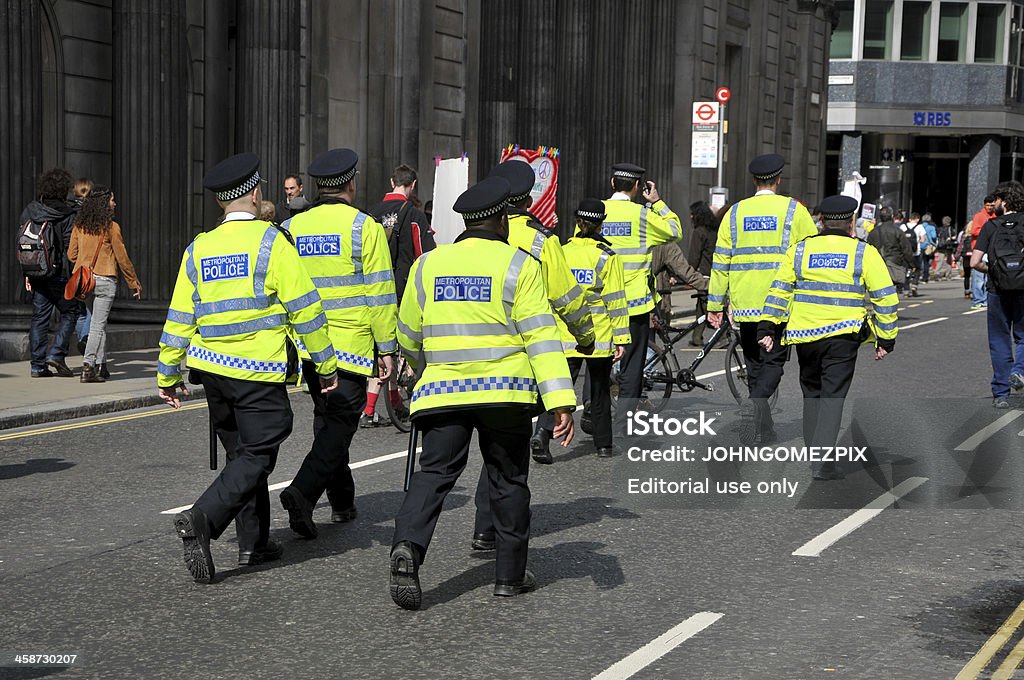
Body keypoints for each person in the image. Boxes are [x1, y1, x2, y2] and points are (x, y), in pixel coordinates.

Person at [389, 176, 576, 610]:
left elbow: (408, 333)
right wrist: (560, 401)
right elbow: (541, 339)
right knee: (508, 479)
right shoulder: (519, 265)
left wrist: (424, 372)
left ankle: (408, 549)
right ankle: (509, 576)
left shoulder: (428, 266)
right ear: (499, 221)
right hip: (504, 393)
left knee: (434, 474)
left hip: (443, 390)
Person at [159, 152, 339, 582]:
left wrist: (167, 374)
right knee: (260, 450)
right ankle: (203, 518)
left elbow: (180, 315)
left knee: (241, 453)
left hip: (212, 371)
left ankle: (254, 544)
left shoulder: (198, 247)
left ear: (223, 202)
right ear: (256, 194)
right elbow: (305, 307)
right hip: (257, 368)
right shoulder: (272, 241)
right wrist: (327, 364)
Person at [277, 148, 398, 535]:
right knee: (342, 424)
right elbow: (380, 296)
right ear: (351, 183)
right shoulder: (366, 228)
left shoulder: (293, 229)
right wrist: (388, 348)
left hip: (308, 345)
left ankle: (342, 500)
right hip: (350, 345)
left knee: (326, 419)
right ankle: (302, 492)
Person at [758, 195, 897, 479]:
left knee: (812, 394)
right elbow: (885, 298)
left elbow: (779, 289)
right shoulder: (863, 252)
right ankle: (822, 461)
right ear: (851, 222)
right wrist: (886, 337)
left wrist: (767, 326)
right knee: (833, 397)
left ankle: (816, 452)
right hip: (843, 337)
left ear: (820, 220)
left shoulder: (800, 250)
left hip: (805, 336)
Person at [707, 153, 818, 443]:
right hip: (779, 304)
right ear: (779, 179)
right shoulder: (795, 211)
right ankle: (753, 407)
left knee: (755, 366)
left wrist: (715, 304)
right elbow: (810, 256)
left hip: (745, 305)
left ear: (754, 180)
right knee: (773, 364)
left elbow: (720, 262)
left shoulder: (734, 213)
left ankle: (763, 429)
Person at [531, 198, 629, 461]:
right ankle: (603, 445)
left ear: (576, 221)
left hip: (565, 333)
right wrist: (621, 337)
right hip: (598, 336)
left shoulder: (561, 251)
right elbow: (616, 302)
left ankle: (542, 433)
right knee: (599, 392)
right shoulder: (607, 256)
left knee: (558, 389)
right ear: (601, 223)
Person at [601, 162, 682, 429]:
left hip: (600, 301)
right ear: (637, 187)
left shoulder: (596, 211)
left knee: (597, 359)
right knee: (632, 364)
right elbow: (674, 230)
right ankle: (624, 423)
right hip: (633, 304)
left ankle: (593, 411)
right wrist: (657, 202)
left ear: (612, 183)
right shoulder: (642, 216)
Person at [361, 163, 436, 428]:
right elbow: (424, 255)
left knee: (381, 347)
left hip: (375, 286)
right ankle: (397, 401)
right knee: (404, 346)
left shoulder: (371, 214)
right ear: (413, 185)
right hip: (404, 288)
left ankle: (380, 406)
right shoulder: (414, 214)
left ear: (391, 180)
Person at [67, 186, 142, 382]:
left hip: (85, 282)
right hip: (105, 280)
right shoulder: (111, 227)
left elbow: (71, 255)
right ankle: (88, 367)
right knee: (97, 326)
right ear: (104, 204)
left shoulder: (79, 225)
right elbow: (122, 257)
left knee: (97, 323)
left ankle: (102, 366)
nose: (114, 203)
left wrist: (85, 259)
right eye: (111, 200)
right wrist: (133, 283)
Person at [21, 168, 80, 378]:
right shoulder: (67, 213)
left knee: (39, 317)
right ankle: (56, 353)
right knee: (71, 311)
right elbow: (69, 247)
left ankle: (37, 366)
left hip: (36, 270)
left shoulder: (31, 210)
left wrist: (27, 273)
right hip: (59, 272)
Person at [970, 181, 1024, 408]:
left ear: (1005, 201)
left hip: (996, 290)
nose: (993, 204)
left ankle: (1001, 393)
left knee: (999, 340)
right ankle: (1019, 371)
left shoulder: (991, 226)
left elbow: (974, 262)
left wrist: (992, 270)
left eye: (996, 200)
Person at [688, 201, 718, 346]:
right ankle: (697, 337)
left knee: (707, 306)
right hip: (716, 273)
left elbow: (694, 256)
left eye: (692, 213)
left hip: (704, 274)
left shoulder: (699, 232)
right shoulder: (714, 230)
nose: (690, 216)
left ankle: (724, 336)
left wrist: (688, 274)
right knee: (702, 306)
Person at [866, 206, 915, 295]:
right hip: (894, 262)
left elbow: (868, 249)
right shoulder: (897, 231)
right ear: (892, 216)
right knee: (892, 288)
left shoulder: (873, 232)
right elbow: (906, 249)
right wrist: (911, 263)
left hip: (878, 263)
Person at [72, 178, 94, 355]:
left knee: (81, 310)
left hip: (72, 270)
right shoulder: (91, 215)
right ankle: (86, 340)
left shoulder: (68, 210)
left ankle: (83, 340)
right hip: (89, 271)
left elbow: (71, 252)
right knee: (90, 311)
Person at [970, 195, 998, 309]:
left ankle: (986, 299)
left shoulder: (996, 216)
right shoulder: (979, 216)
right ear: (984, 205)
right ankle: (978, 300)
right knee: (978, 278)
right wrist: (987, 230)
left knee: (988, 277)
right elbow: (974, 231)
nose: (990, 207)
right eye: (988, 205)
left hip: (991, 249)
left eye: (992, 205)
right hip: (981, 249)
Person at [919, 213, 937, 283]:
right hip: (928, 246)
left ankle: (918, 275)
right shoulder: (931, 227)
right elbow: (934, 236)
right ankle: (925, 277)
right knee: (927, 262)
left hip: (919, 246)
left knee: (920, 261)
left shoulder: (919, 227)